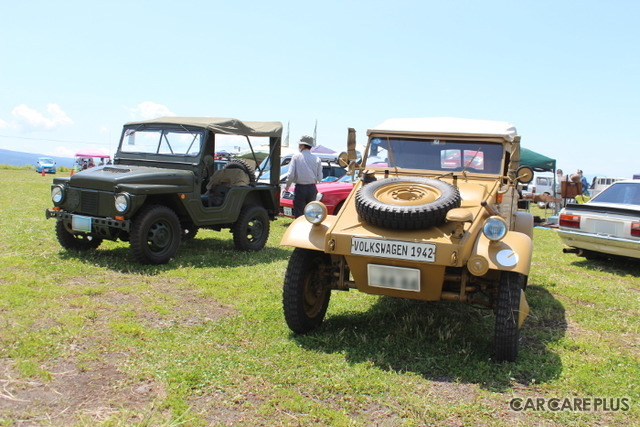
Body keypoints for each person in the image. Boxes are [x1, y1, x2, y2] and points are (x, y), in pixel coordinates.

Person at [285, 135, 323, 217]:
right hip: (312, 188)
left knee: (299, 213)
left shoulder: (296, 157)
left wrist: (287, 186)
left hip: (300, 188)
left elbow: (290, 174)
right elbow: (320, 177)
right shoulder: (317, 159)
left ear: (302, 145)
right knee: (311, 213)